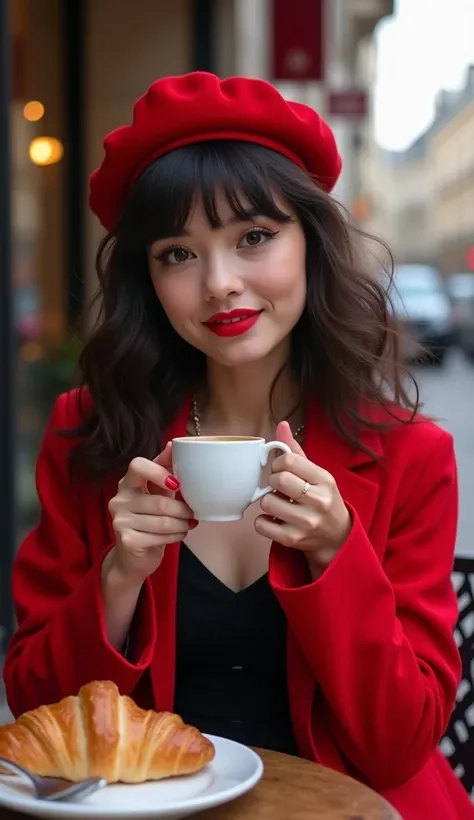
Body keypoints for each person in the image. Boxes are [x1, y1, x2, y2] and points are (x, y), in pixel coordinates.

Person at [3, 72, 473, 820]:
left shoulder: (408, 454)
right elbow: (38, 721)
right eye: (178, 254)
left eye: (254, 237)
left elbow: (399, 743)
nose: (220, 284)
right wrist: (120, 576)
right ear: (147, 279)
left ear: (311, 244)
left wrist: (336, 553)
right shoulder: (91, 433)